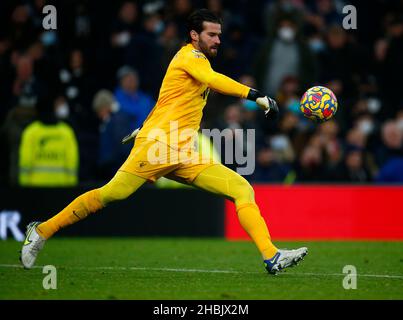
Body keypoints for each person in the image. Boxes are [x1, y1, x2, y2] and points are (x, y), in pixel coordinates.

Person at [21, 9, 307, 275]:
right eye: (211, 34)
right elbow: (214, 80)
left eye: (219, 34)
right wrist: (255, 94)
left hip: (183, 150)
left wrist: (143, 127)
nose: (218, 40)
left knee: (242, 188)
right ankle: (42, 231)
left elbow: (165, 102)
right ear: (194, 35)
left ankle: (271, 256)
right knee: (111, 195)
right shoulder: (190, 58)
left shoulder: (193, 62)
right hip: (160, 146)